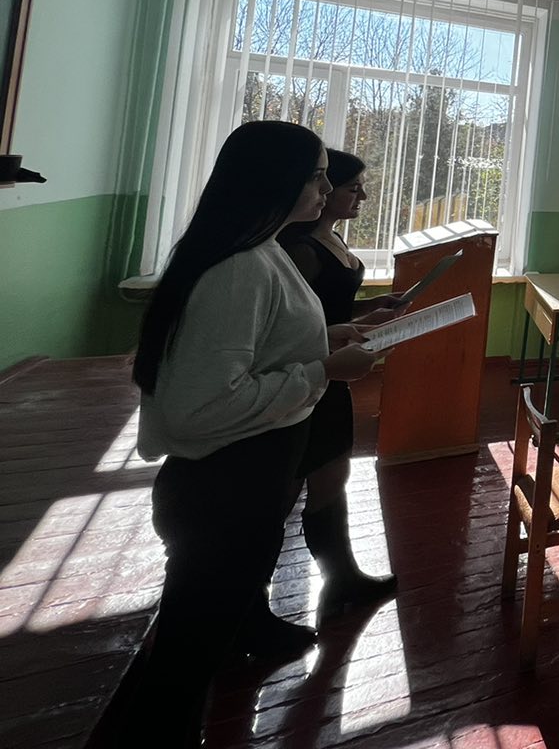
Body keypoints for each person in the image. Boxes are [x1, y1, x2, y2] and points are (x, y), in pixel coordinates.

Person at [126, 122, 377, 746]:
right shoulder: (238, 267)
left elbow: (262, 345)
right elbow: (201, 407)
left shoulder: (259, 250)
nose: (328, 189)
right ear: (274, 180)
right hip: (224, 485)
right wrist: (322, 371)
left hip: (250, 477)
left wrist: (326, 339)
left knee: (209, 622)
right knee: (188, 651)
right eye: (317, 176)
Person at [278, 149, 407, 619]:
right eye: (352, 188)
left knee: (333, 474)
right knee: (292, 481)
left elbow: (327, 307)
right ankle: (250, 591)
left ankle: (342, 578)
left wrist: (370, 309)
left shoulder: (331, 239)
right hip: (310, 370)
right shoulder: (299, 250)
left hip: (333, 367)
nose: (361, 197)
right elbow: (293, 322)